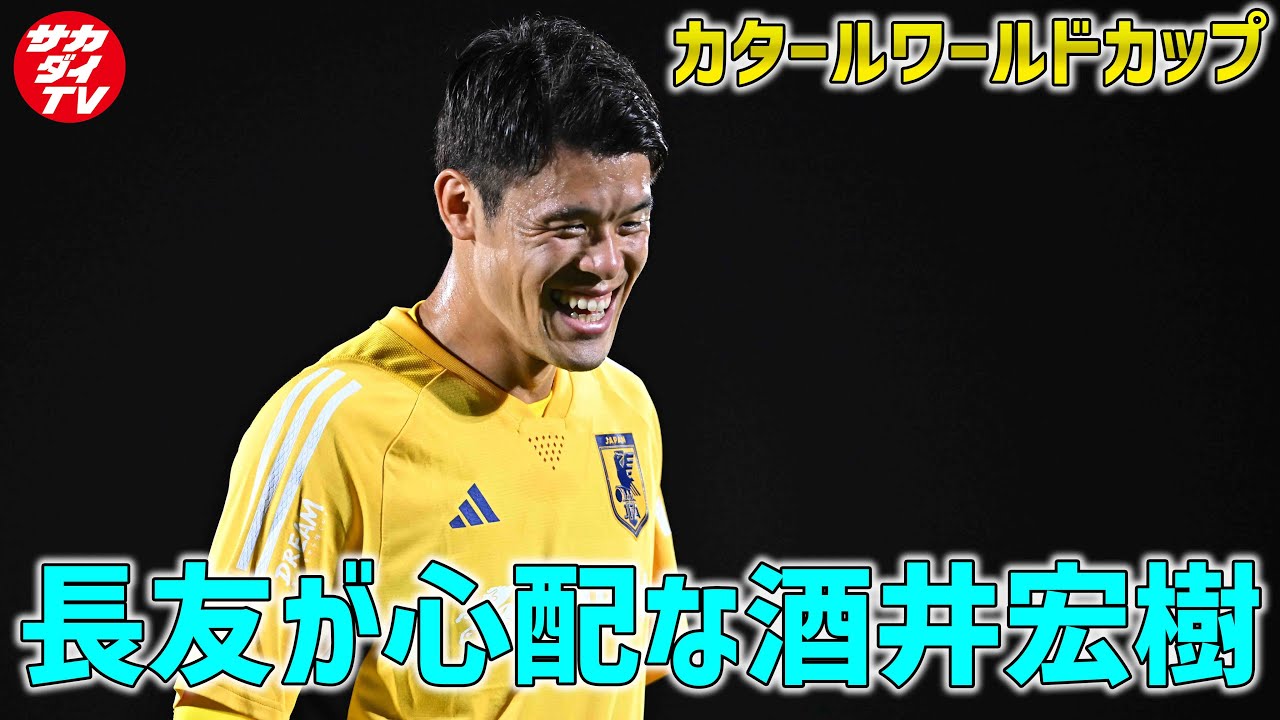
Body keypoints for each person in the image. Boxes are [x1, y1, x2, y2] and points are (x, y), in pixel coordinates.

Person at [173, 15, 676, 719]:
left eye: (631, 223)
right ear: (461, 206)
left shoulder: (625, 407)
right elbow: (223, 703)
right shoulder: (336, 424)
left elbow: (631, 663)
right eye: (567, 226)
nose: (606, 263)